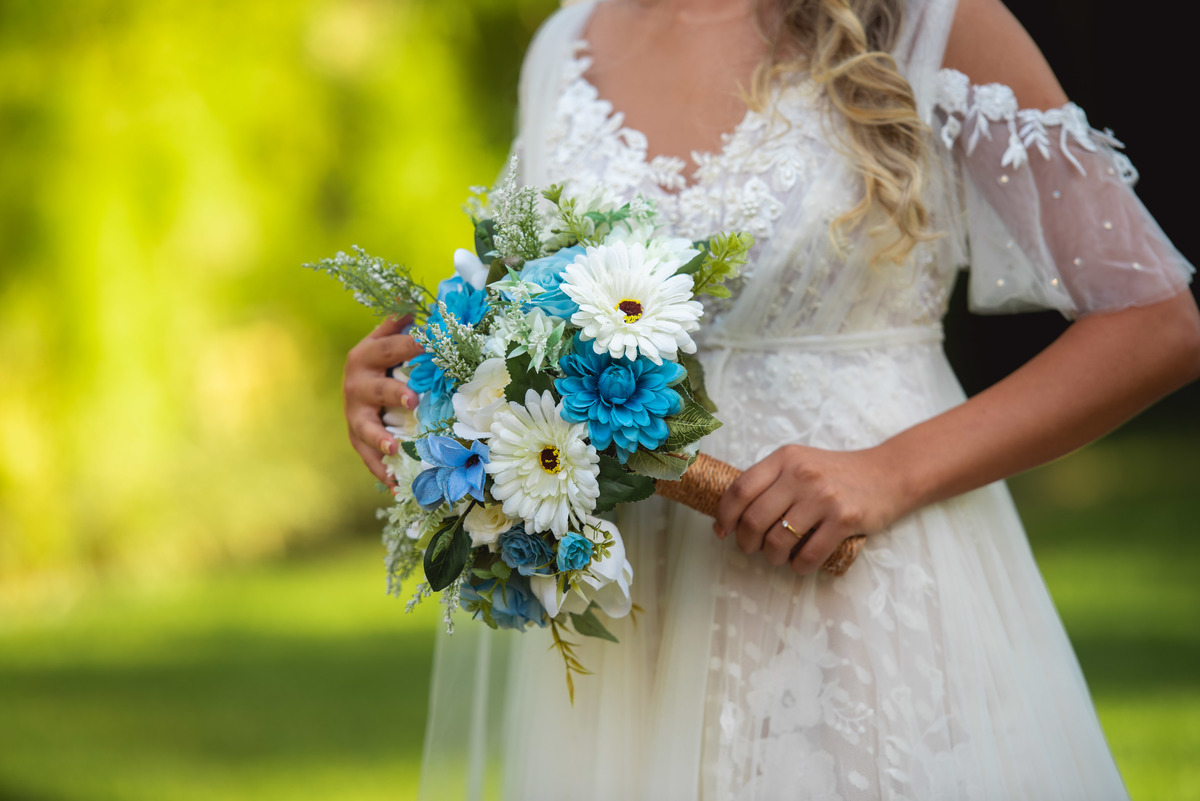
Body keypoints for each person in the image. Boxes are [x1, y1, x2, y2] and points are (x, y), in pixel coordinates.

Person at [341, 0, 1200, 797]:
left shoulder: (926, 17)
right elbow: (527, 318)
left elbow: (1157, 322)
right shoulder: (566, 44)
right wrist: (420, 382)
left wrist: (892, 470)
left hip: (863, 589)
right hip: (637, 626)